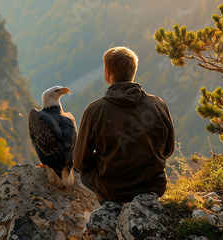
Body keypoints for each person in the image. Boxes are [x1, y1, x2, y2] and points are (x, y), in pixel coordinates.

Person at [74, 46, 175, 203]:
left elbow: (80, 162)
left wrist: (106, 157)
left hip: (113, 191)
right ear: (133, 71)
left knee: (84, 174)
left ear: (107, 72)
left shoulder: (95, 110)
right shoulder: (158, 104)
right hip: (154, 186)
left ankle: (106, 209)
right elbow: (168, 150)